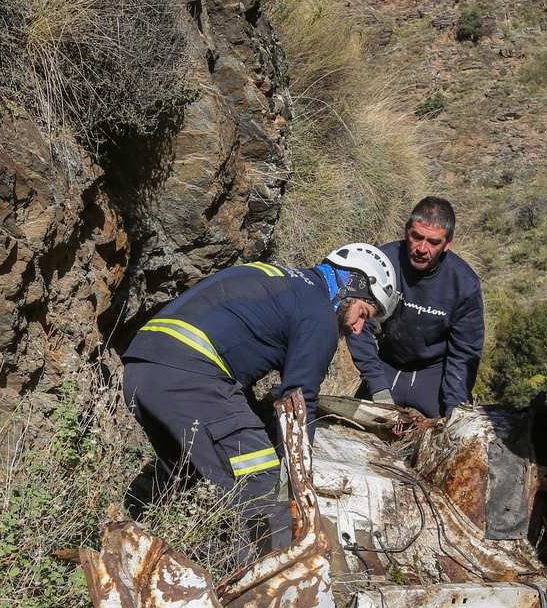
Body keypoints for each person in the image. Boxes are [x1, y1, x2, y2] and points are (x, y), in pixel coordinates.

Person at [122, 244, 401, 559]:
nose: (357, 328)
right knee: (262, 481)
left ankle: (128, 533)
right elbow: (300, 403)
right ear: (352, 284)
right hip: (189, 375)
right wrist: (300, 488)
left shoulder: (282, 278)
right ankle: (267, 591)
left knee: (188, 472)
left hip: (141, 368)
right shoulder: (320, 314)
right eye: (364, 314)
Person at [346, 197, 484, 418]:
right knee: (353, 431)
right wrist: (377, 385)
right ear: (406, 231)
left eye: (433, 242)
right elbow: (359, 327)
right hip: (386, 365)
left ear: (447, 244)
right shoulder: (383, 263)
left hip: (433, 374)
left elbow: (465, 353)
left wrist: (454, 411)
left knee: (442, 441)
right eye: (416, 237)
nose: (422, 248)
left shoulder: (464, 284)